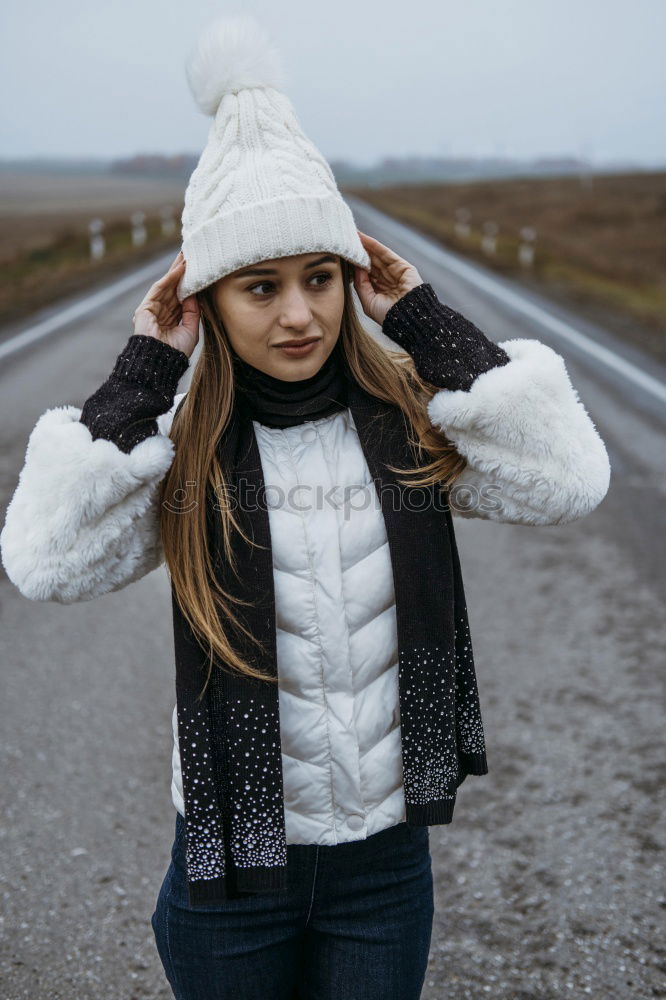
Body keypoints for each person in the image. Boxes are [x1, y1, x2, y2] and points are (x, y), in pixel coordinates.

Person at [0, 14, 611, 1000]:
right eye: (261, 285)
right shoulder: (179, 456)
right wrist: (142, 373)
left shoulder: (410, 425)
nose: (300, 314)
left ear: (351, 278)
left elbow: (568, 475)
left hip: (382, 864)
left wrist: (425, 319)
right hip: (233, 870)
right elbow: (43, 557)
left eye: (320, 277)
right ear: (207, 301)